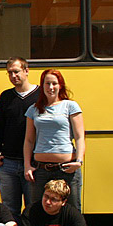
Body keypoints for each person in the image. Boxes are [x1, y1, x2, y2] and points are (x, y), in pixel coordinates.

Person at [23, 69, 85, 210]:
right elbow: (29, 140)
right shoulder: (33, 109)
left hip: (67, 169)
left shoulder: (70, 106)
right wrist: (27, 166)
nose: (51, 87)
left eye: (54, 83)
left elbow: (80, 136)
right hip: (41, 170)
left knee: (72, 210)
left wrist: (79, 161)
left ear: (60, 85)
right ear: (42, 86)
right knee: (37, 209)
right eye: (47, 83)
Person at [0, 56, 41, 220]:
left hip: (34, 163)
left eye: (16, 71)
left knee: (33, 208)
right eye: (10, 73)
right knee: (10, 209)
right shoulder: (6, 97)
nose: (13, 76)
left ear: (26, 71)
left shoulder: (41, 95)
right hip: (8, 163)